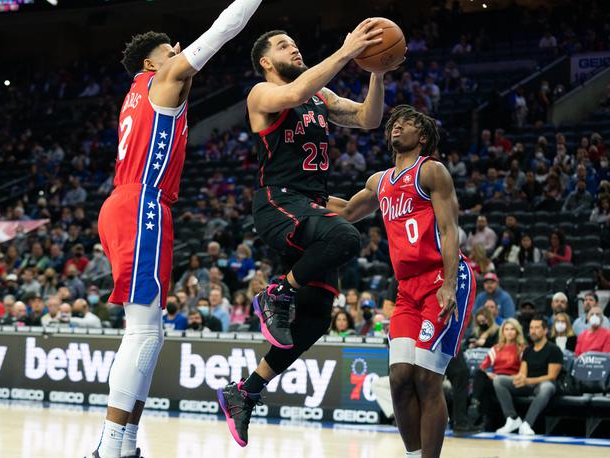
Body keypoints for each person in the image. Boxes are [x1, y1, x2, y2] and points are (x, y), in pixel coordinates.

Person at [92, 2, 263, 456]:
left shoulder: (140, 90)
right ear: (153, 61)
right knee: (143, 331)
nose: (182, 55)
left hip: (131, 202)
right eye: (173, 51)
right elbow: (225, 29)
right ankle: (109, 448)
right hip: (141, 201)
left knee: (152, 332)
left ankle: (125, 444)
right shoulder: (162, 78)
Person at [216, 21, 392, 448]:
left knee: (314, 318)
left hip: (310, 206)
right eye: (283, 46)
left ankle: (246, 391)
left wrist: (378, 69)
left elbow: (369, 119)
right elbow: (292, 95)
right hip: (278, 202)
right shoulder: (262, 93)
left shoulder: (320, 96)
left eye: (295, 44)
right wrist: (348, 50)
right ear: (265, 60)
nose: (294, 49)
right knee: (349, 237)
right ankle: (276, 293)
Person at [326, 104, 475, 457]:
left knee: (426, 377)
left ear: (421, 137)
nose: (397, 127)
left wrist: (450, 283)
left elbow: (448, 229)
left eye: (406, 124)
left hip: (441, 279)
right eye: (394, 123)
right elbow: (347, 211)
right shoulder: (380, 182)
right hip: (407, 288)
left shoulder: (432, 172)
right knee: (398, 378)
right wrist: (299, 197)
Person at [494, 316, 562, 435]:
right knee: (499, 380)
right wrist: (517, 378)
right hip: (528, 385)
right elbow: (522, 373)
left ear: (545, 330)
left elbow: (551, 376)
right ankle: (512, 419)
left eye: (537, 328)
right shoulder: (528, 350)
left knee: (547, 387)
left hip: (542, 385)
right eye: (531, 328)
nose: (533, 331)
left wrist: (527, 381)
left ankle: (527, 424)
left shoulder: (554, 349)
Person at [469, 318, 526, 430]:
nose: (509, 332)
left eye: (512, 329)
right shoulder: (496, 348)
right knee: (480, 375)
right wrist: (489, 374)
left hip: (512, 381)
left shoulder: (522, 349)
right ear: (502, 332)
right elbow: (483, 368)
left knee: (486, 387)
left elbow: (523, 372)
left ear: (517, 331)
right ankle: (475, 405)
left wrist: (501, 378)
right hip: (495, 379)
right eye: (506, 329)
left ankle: (481, 417)